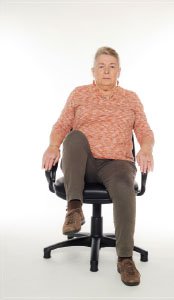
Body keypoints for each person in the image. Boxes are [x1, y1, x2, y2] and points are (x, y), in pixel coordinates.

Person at [42, 46, 154, 286]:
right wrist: (52, 145)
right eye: (101, 66)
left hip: (117, 164)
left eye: (111, 66)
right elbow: (62, 124)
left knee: (125, 185)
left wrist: (146, 149)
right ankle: (74, 211)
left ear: (119, 71)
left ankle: (125, 259)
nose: (106, 71)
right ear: (93, 71)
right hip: (83, 163)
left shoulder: (131, 98)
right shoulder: (79, 93)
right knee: (73, 137)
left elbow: (145, 130)